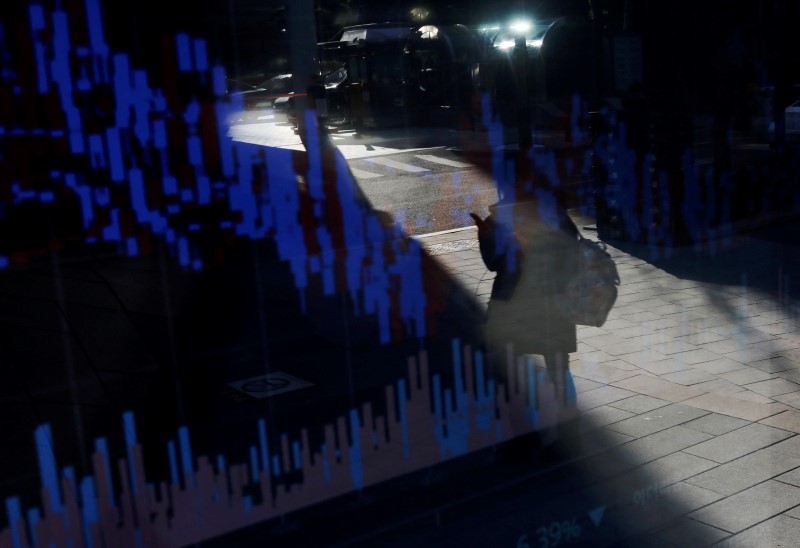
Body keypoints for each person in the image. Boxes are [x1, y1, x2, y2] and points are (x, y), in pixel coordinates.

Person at [471, 184, 580, 406]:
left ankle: (547, 417)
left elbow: (494, 262)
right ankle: (562, 415)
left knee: (526, 363)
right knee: (553, 364)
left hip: (526, 304)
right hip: (542, 305)